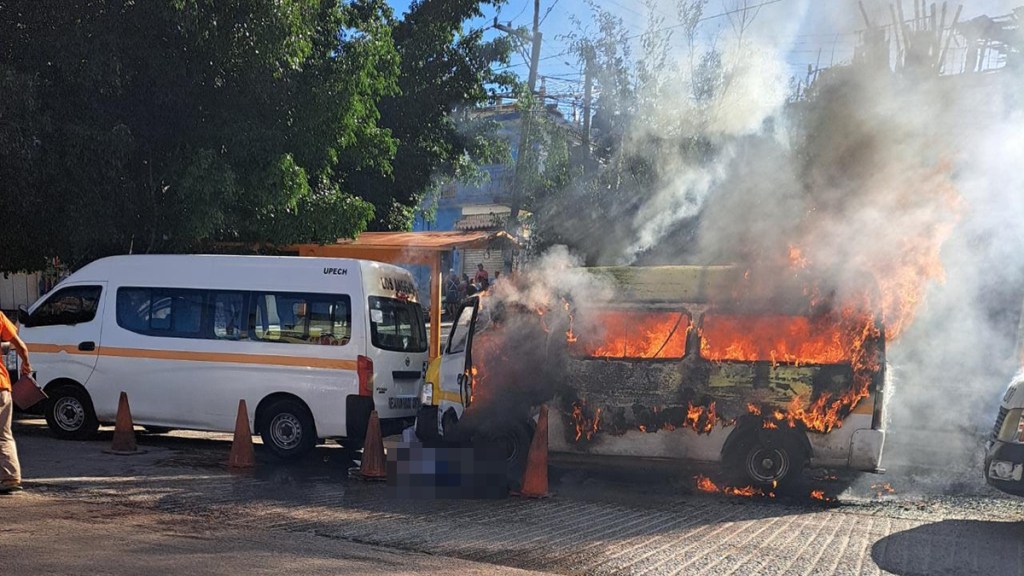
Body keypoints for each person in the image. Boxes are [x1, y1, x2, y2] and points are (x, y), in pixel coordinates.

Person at [1, 310, 32, 495]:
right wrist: (26, 364)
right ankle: (10, 478)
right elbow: (20, 346)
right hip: (2, 386)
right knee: (3, 435)